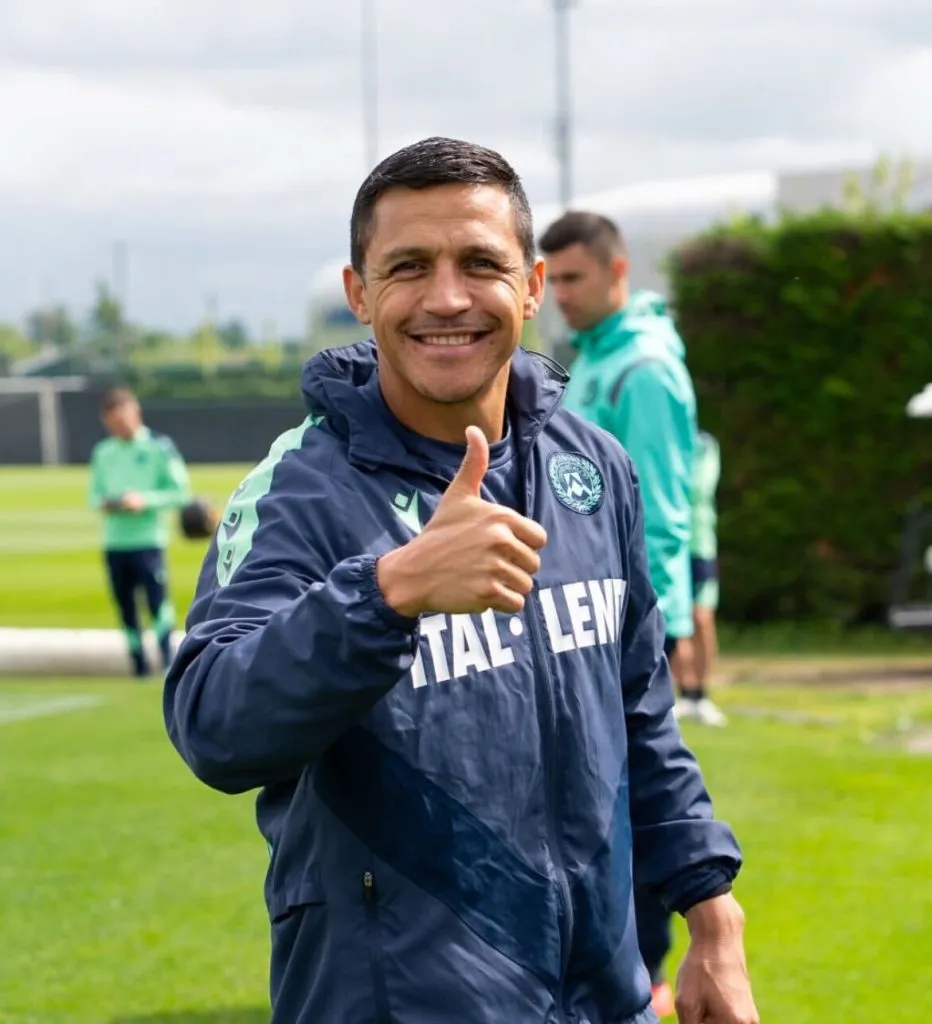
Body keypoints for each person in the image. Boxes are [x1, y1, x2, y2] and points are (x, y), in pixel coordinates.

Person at [163, 137, 758, 1024]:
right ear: (360, 293)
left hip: (604, 997)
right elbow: (213, 722)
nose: (447, 298)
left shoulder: (592, 468)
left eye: (481, 262)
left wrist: (711, 909)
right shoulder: (299, 493)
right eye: (409, 267)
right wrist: (388, 590)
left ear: (530, 285)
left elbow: (639, 714)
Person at [538, 210, 728, 1015]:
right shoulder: (590, 360)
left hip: (617, 623)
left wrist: (661, 628)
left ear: (618, 274)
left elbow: (661, 508)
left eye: (576, 278)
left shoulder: (641, 369)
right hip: (569, 620)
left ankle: (639, 982)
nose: (562, 297)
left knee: (623, 796)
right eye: (555, 280)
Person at [88, 387, 191, 678]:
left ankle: (168, 661)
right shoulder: (103, 451)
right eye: (112, 425)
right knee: (125, 606)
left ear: (136, 414)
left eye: (122, 422)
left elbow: (180, 492)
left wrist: (144, 500)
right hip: (115, 540)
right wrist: (108, 503)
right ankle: (138, 665)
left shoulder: (159, 447)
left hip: (148, 539)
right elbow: (93, 495)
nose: (118, 429)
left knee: (157, 603)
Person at [683, 429, 726, 726]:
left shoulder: (705, 444)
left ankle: (703, 693)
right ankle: (686, 693)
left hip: (700, 543)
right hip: (670, 546)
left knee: (702, 619)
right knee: (675, 620)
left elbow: (699, 487)